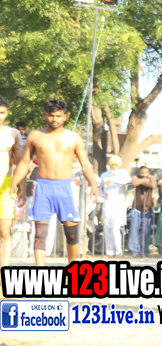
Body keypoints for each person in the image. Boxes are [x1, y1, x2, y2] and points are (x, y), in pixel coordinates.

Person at [11, 98, 98, 265]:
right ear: (45, 115)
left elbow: (86, 164)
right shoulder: (35, 136)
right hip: (43, 186)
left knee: (71, 233)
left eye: (58, 116)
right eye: (51, 115)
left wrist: (94, 185)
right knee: (40, 234)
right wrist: (15, 183)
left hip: (66, 187)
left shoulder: (74, 138)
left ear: (65, 116)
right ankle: (40, 272)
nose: (54, 119)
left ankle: (72, 268)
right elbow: (24, 162)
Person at [0, 97, 25, 267]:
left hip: (6, 185)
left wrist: (22, 186)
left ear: (6, 113)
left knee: (5, 232)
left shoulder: (13, 134)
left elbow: (22, 162)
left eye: (2, 112)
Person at [99, 156, 131, 257]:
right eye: (112, 164)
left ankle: (118, 251)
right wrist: (102, 195)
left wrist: (114, 180)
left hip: (119, 204)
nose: (114, 166)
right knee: (107, 227)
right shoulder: (104, 175)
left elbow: (128, 180)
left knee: (115, 228)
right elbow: (99, 187)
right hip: (108, 203)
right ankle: (109, 252)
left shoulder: (123, 173)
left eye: (116, 164)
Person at [128, 166, 156, 258]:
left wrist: (142, 182)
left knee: (146, 231)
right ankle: (134, 251)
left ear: (149, 172)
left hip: (147, 209)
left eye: (145, 172)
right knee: (134, 230)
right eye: (142, 172)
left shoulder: (152, 177)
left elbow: (153, 185)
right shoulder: (135, 177)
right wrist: (145, 180)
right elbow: (134, 182)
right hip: (136, 209)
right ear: (139, 172)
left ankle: (144, 252)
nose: (144, 174)